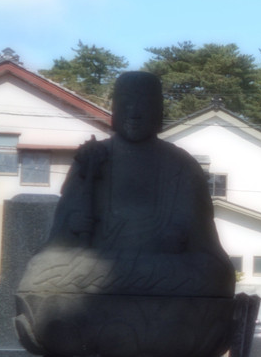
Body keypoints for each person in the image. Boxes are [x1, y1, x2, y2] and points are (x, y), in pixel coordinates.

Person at [18, 71, 235, 298]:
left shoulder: (182, 166)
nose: (134, 113)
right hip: (102, 266)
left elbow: (207, 250)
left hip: (158, 267)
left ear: (160, 111)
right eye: (125, 104)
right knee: (40, 270)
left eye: (144, 104)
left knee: (215, 275)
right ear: (114, 110)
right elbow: (59, 242)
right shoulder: (92, 158)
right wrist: (74, 224)